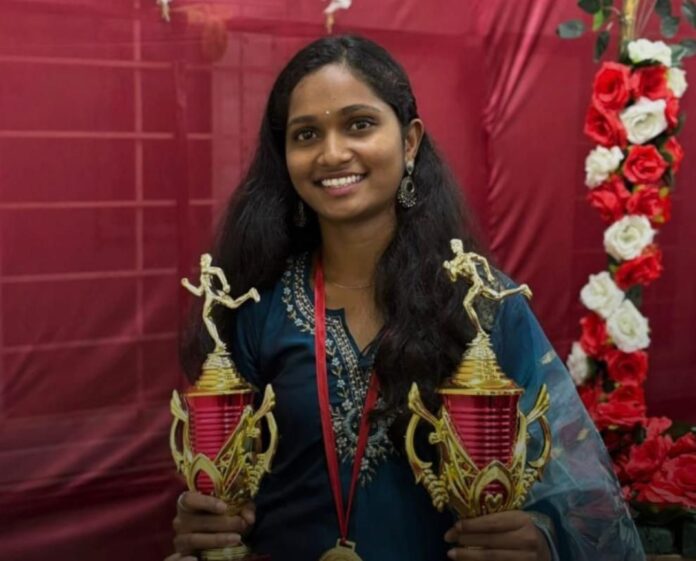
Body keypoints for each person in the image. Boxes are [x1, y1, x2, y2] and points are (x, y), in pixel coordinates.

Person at [166, 35, 645, 561]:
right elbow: (229, 489)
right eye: (306, 134)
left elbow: (578, 496)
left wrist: (545, 539)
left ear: (410, 141)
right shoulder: (253, 307)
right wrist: (206, 518)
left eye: (359, 124)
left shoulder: (478, 302)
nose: (332, 153)